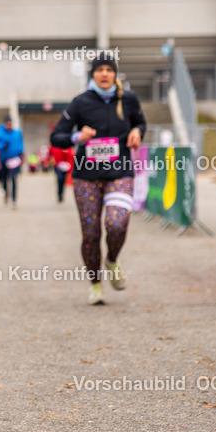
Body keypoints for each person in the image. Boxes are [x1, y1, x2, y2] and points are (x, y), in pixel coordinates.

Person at [50, 51, 147, 305]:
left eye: (109, 69)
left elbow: (141, 123)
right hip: (86, 176)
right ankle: (95, 284)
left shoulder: (128, 99)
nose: (104, 73)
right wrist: (75, 137)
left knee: (116, 223)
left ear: (115, 74)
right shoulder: (80, 102)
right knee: (91, 233)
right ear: (93, 74)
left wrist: (137, 131)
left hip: (120, 172)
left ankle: (112, 259)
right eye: (99, 69)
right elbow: (56, 137)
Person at [0, 116, 24, 209]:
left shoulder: (17, 133)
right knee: (4, 179)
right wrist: (3, 145)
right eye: (8, 124)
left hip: (15, 159)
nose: (9, 125)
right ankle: (5, 191)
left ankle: (14, 200)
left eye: (11, 124)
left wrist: (22, 154)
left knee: (13, 179)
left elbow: (21, 144)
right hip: (4, 159)